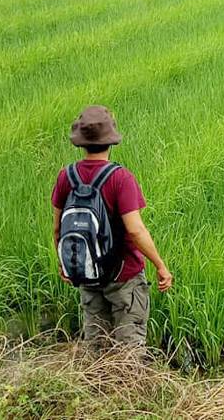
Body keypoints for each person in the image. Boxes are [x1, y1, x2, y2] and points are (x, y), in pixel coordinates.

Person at [52, 105, 173, 347]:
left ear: (81, 142)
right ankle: (126, 384)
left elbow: (58, 228)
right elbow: (135, 230)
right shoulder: (120, 178)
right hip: (124, 276)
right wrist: (161, 266)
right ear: (111, 140)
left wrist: (66, 262)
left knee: (96, 348)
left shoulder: (67, 176)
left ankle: (95, 384)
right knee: (129, 352)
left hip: (87, 273)